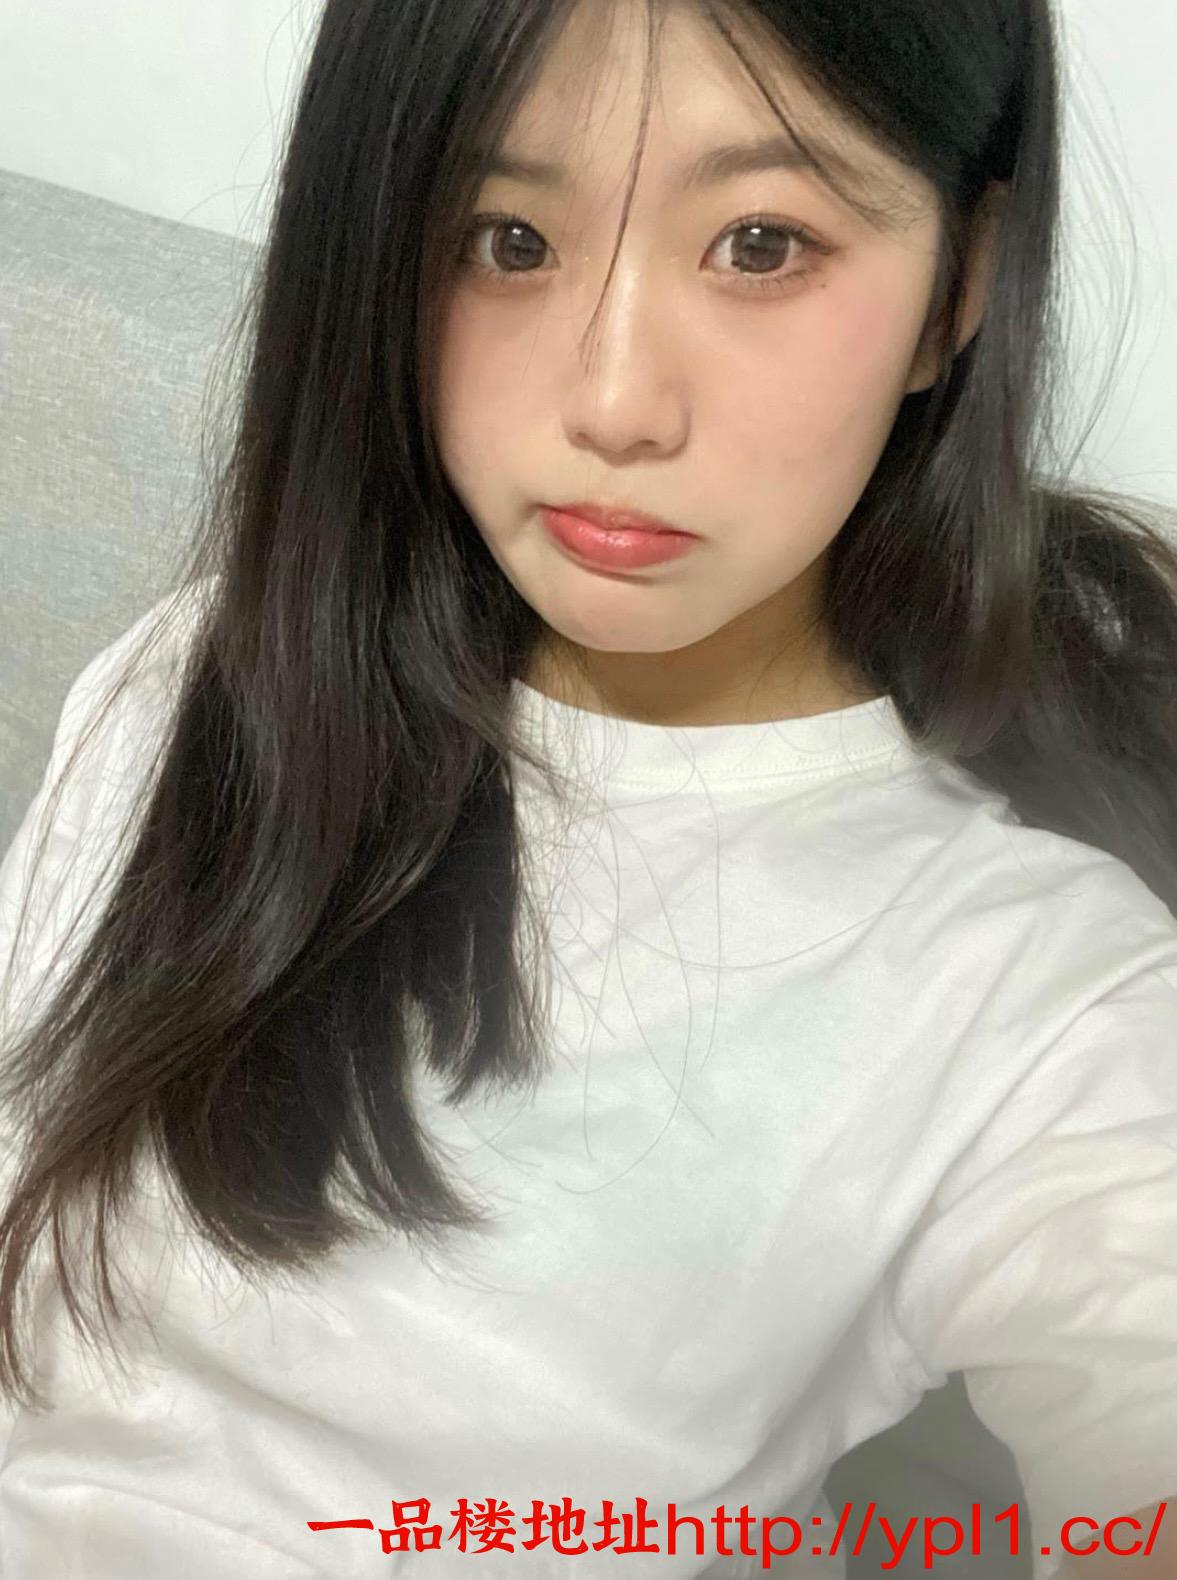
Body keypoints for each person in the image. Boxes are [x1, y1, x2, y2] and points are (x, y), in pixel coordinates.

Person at [0, 0, 1175, 1576]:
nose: (614, 403)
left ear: (956, 286)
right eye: (507, 239)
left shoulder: (1036, 996)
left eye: (760, 244)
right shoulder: (198, 680)